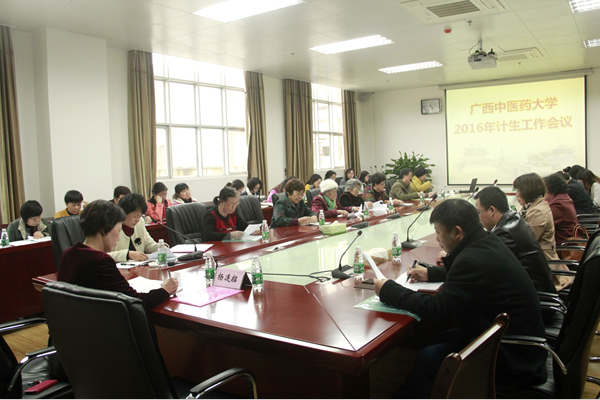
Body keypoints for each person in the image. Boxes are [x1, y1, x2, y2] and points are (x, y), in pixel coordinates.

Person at [374, 199, 547, 398]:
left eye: (438, 232)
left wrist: (389, 290)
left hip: (512, 355)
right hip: (509, 337)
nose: (437, 239)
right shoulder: (485, 240)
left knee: (428, 357)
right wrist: (431, 273)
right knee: (435, 340)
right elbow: (476, 274)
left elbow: (436, 309)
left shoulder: (471, 260)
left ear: (457, 232)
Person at [57, 200, 178, 310]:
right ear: (105, 229)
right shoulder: (101, 261)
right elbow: (135, 301)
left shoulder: (68, 254)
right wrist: (164, 290)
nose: (119, 238)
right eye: (118, 231)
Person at [472, 187, 556, 297]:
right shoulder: (513, 218)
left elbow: (485, 266)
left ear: (492, 210)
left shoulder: (505, 233)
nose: (478, 218)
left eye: (478, 212)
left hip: (534, 296)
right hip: (534, 288)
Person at [513, 173, 572, 291]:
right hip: (537, 262)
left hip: (542, 267)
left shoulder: (538, 212)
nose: (516, 194)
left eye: (518, 190)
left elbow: (524, 243)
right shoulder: (534, 206)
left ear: (527, 190)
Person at [108, 194, 160, 262]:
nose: (137, 220)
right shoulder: (111, 227)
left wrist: (161, 247)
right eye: (135, 216)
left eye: (140, 216)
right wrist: (127, 254)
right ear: (123, 213)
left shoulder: (140, 222)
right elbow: (103, 255)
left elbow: (148, 244)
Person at [543, 173, 578, 246]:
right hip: (566, 241)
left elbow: (543, 223)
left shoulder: (558, 205)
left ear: (551, 189)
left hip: (562, 246)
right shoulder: (563, 198)